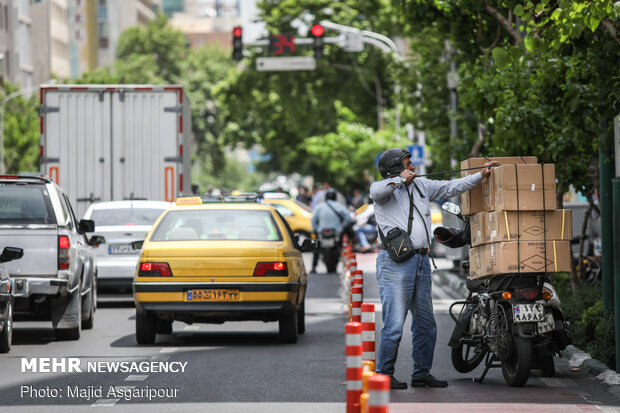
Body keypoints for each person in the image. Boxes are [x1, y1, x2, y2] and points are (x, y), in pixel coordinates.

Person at [370, 148, 496, 389]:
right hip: (395, 264)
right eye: (408, 164)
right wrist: (398, 180)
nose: (414, 168)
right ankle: (384, 374)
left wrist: (481, 175)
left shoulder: (422, 186)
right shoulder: (385, 190)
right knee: (394, 324)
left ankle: (421, 373)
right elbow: (376, 192)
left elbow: (451, 187)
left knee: (426, 324)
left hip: (420, 261)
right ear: (397, 168)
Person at [310, 189, 352, 273]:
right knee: (341, 246)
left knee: (316, 248)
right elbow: (348, 218)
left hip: (321, 232)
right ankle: (344, 265)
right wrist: (341, 227)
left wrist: (316, 229)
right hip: (336, 232)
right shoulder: (340, 206)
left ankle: (314, 268)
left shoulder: (319, 206)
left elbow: (313, 220)